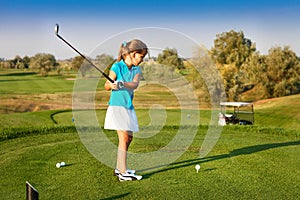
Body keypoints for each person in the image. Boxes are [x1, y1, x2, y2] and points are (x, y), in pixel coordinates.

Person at [104, 39, 148, 181]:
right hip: (116, 106)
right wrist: (112, 85)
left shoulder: (137, 69)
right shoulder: (117, 67)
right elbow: (106, 85)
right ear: (134, 54)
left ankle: (119, 168)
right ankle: (123, 173)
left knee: (129, 138)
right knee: (123, 138)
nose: (142, 60)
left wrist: (121, 84)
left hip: (128, 106)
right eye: (141, 57)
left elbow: (134, 84)